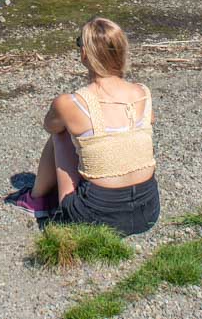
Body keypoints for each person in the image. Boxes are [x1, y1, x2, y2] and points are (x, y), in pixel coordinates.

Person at [8, 17, 159, 235]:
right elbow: (149, 120)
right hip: (148, 212)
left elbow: (50, 126)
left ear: (85, 53)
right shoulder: (142, 93)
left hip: (94, 218)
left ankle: (36, 199)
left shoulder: (71, 103)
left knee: (61, 134)